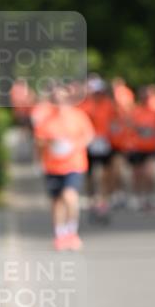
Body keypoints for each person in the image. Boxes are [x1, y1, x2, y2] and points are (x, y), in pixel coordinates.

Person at [33, 83, 94, 250]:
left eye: (63, 97)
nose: (59, 100)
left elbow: (88, 135)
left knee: (70, 195)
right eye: (56, 97)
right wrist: (49, 147)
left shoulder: (78, 116)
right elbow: (38, 140)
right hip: (53, 166)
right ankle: (60, 234)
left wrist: (74, 145)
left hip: (74, 163)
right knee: (57, 201)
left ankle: (72, 232)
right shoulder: (46, 119)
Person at [124, 85, 155, 210]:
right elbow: (128, 129)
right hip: (136, 147)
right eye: (143, 96)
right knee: (137, 174)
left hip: (151, 147)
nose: (146, 99)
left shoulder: (154, 112)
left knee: (149, 173)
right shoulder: (134, 112)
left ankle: (150, 196)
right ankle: (137, 196)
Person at [81, 76, 116, 221]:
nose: (98, 94)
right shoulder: (84, 105)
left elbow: (115, 122)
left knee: (104, 174)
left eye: (99, 91)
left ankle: (103, 201)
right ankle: (91, 200)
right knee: (90, 175)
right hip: (89, 143)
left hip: (105, 143)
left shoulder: (108, 104)